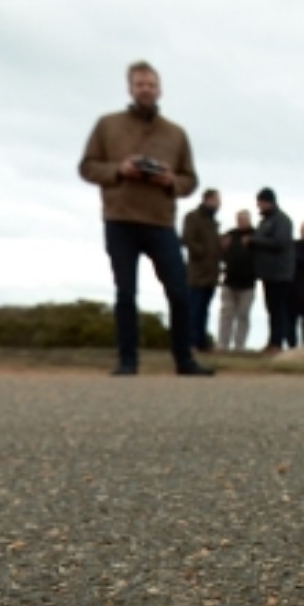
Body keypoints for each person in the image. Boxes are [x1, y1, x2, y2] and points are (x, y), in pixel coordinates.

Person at [78, 60, 212, 376]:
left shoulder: (176, 133)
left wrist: (171, 181)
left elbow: (190, 180)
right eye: (139, 84)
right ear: (130, 88)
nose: (145, 89)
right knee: (126, 293)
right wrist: (119, 170)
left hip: (161, 222)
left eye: (151, 84)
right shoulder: (106, 125)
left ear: (159, 89)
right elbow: (87, 167)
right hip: (120, 219)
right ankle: (127, 361)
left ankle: (185, 360)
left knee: (179, 291)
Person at [251, 187, 295, 354]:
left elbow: (280, 242)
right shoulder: (264, 221)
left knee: (278, 309)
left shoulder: (282, 221)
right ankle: (272, 341)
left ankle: (277, 342)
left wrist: (255, 240)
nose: (258, 206)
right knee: (271, 309)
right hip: (268, 273)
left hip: (280, 273)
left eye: (261, 202)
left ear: (269, 202)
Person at [181, 188, 221, 352]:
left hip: (211, 272)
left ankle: (201, 341)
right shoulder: (193, 217)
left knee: (204, 309)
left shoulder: (213, 222)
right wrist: (202, 253)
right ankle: (191, 342)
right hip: (197, 271)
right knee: (194, 308)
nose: (219, 204)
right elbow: (187, 238)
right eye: (216, 200)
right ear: (207, 200)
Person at [217, 209, 257, 352]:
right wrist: (222, 247)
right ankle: (222, 344)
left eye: (243, 219)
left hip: (248, 283)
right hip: (229, 281)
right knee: (226, 313)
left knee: (243, 315)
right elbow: (220, 255)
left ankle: (239, 346)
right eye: (239, 219)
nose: (240, 222)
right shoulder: (230, 235)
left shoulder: (256, 236)